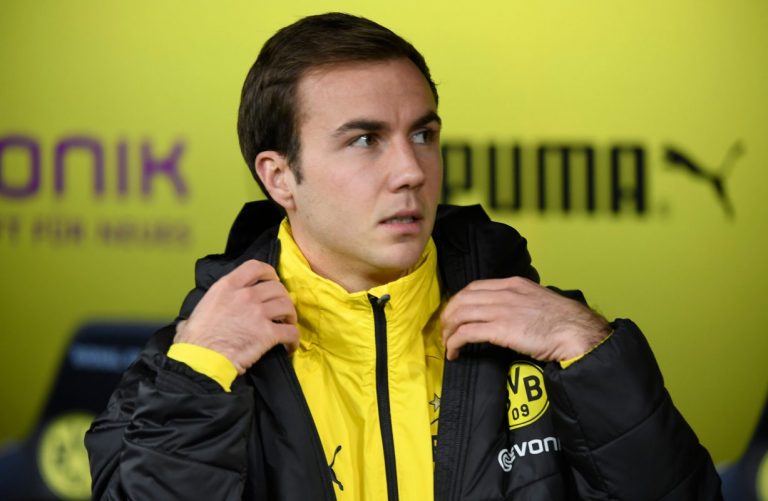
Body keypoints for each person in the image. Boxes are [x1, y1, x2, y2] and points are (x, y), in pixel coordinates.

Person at [85, 12, 722, 500]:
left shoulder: (547, 335)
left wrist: (596, 355)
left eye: (423, 134)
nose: (412, 170)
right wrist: (200, 379)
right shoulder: (187, 368)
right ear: (279, 178)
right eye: (365, 140)